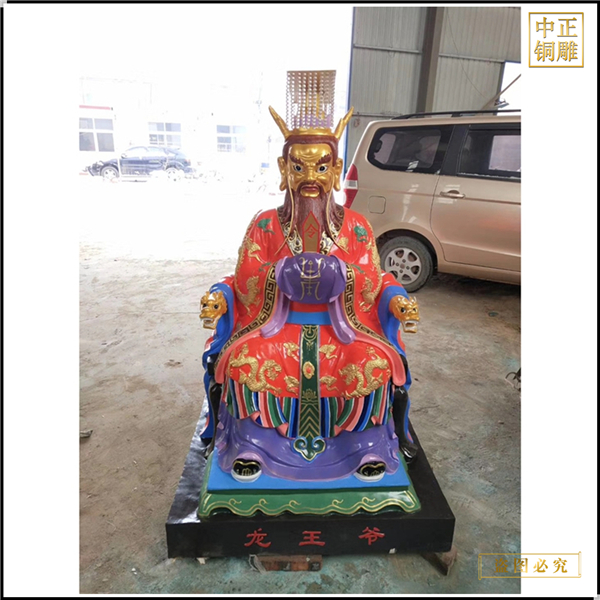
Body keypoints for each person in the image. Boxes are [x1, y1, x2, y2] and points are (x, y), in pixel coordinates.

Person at [199, 71, 420, 484]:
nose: (310, 179)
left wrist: (378, 290)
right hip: (274, 327)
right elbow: (245, 277)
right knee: (247, 362)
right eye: (299, 167)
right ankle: (255, 446)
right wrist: (278, 273)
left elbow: (374, 278)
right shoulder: (265, 224)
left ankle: (364, 447)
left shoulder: (355, 226)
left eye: (320, 167)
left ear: (335, 170)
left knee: (370, 363)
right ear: (284, 169)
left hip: (344, 329)